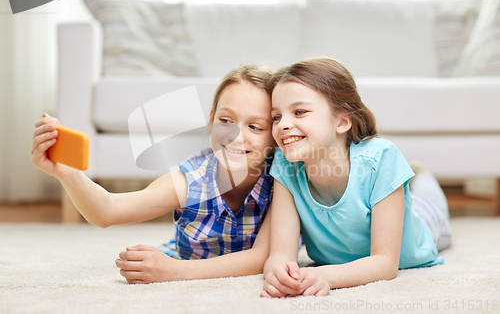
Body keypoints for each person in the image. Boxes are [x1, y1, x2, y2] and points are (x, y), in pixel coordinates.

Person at [31, 65, 276, 284]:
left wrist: (175, 271)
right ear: (211, 121)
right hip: (182, 254)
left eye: (255, 127)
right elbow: (107, 211)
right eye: (226, 120)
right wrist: (69, 175)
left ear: (275, 136)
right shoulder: (190, 180)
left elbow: (261, 258)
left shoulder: (281, 181)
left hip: (182, 266)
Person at [260, 57, 452, 297]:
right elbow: (280, 251)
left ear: (342, 122)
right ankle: (409, 177)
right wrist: (279, 270)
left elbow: (385, 263)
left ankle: (419, 173)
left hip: (422, 224)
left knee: (430, 200)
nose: (283, 125)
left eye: (299, 112)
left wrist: (326, 276)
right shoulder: (284, 164)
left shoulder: (382, 157)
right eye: (276, 117)